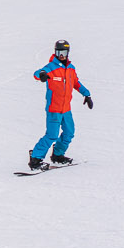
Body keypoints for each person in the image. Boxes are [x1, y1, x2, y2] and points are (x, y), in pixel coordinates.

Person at [28, 40, 93, 170]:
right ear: (55, 52)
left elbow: (76, 83)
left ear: (67, 53)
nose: (61, 55)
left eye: (63, 52)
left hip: (66, 109)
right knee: (52, 135)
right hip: (54, 109)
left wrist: (87, 94)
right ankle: (35, 159)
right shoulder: (51, 67)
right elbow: (37, 73)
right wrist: (41, 75)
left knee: (69, 133)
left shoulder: (71, 68)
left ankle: (57, 155)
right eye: (59, 52)